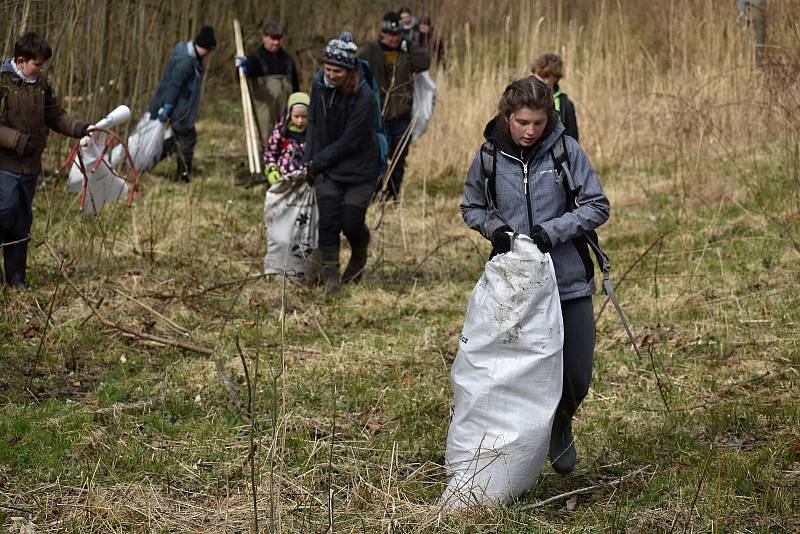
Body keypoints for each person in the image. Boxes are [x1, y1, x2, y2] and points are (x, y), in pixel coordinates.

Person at [460, 76, 610, 474]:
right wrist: (495, 230)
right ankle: (514, 450)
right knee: (513, 376)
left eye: (538, 123)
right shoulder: (489, 156)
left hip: (569, 281)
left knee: (577, 373)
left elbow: (597, 205)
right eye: (522, 122)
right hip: (516, 289)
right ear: (507, 116)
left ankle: (561, 421)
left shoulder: (565, 150)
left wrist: (553, 231)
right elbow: (471, 206)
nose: (530, 131)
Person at [0, 32, 90, 288]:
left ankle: (16, 281)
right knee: (3, 213)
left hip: (30, 167)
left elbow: (56, 115)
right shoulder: (3, 82)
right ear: (20, 60)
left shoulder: (41, 85)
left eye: (43, 65)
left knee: (21, 222)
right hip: (4, 165)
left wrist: (80, 127)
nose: (41, 69)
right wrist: (16, 140)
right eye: (37, 64)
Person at [305, 34, 379, 294]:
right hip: (327, 167)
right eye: (327, 68)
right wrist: (308, 160)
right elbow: (313, 121)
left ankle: (359, 250)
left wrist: (318, 163)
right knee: (327, 220)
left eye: (337, 70)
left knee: (350, 221)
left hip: (360, 168)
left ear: (349, 70)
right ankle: (331, 275)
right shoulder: (318, 84)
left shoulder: (365, 96)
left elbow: (349, 142)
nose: (331, 74)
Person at [359, 12, 430, 200]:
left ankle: (392, 196)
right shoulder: (370, 51)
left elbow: (424, 63)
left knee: (398, 159)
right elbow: (358, 74)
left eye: (397, 34)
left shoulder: (407, 51)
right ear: (383, 32)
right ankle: (374, 194)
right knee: (376, 156)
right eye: (390, 33)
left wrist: (410, 46)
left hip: (401, 114)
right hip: (376, 115)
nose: (393, 38)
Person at [148, 25, 216, 182]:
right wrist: (168, 108)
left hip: (182, 109)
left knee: (176, 140)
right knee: (187, 139)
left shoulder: (193, 59)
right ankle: (183, 175)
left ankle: (151, 162)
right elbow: (174, 85)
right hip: (179, 110)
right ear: (204, 47)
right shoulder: (186, 62)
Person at [237, 21, 301, 147]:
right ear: (264, 37)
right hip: (264, 111)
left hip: (285, 111)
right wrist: (240, 68)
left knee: (286, 138)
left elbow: (295, 85)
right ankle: (265, 164)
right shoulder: (254, 59)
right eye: (272, 39)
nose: (276, 43)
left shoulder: (288, 60)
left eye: (279, 39)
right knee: (266, 139)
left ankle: (284, 164)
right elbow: (241, 79)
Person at [263, 91, 309, 186]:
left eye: (304, 117)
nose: (300, 121)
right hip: (284, 178)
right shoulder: (281, 130)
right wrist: (272, 169)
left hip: (306, 179)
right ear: (289, 114)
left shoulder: (313, 132)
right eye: (296, 116)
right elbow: (270, 152)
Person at [531, 53, 579, 142]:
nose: (541, 80)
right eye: (538, 74)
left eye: (546, 76)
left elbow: (573, 138)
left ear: (556, 77)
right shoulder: (523, 98)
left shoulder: (566, 104)